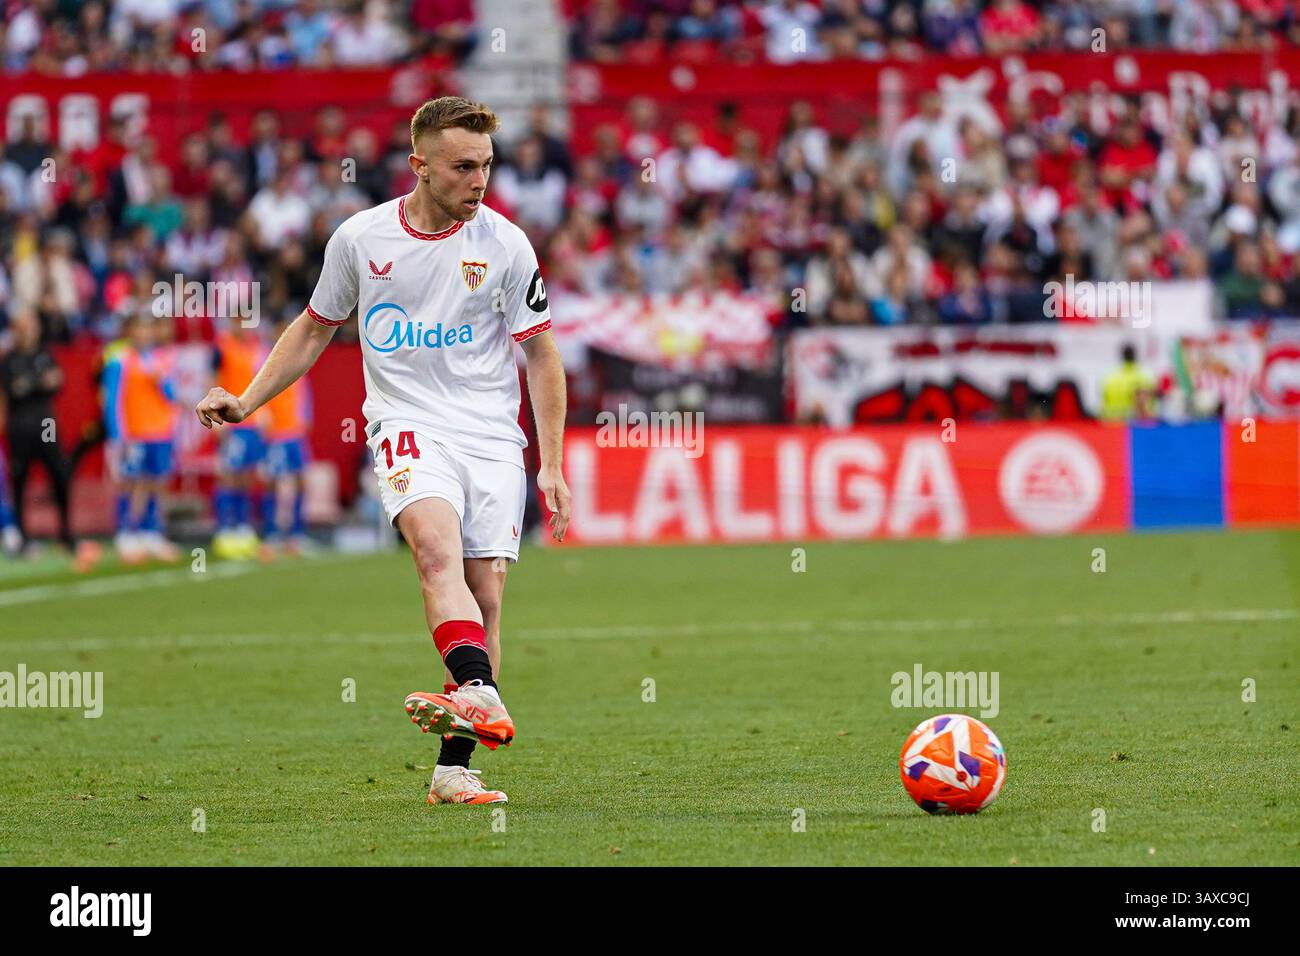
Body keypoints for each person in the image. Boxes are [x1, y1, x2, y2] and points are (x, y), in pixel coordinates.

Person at [195, 97, 571, 807]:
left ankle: (454, 768)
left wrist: (551, 462)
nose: (480, 181)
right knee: (435, 550)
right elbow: (313, 328)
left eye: (486, 166)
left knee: (485, 598)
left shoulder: (507, 244)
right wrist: (246, 401)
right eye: (464, 166)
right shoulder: (361, 240)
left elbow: (543, 358)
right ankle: (481, 691)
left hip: (492, 434)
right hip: (406, 423)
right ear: (419, 166)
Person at [0, 308, 93, 565]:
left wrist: (32, 383)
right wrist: (37, 382)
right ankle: (23, 536)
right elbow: (15, 389)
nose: (27, 330)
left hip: (47, 426)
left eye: (30, 325)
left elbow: (56, 382)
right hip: (20, 427)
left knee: (60, 475)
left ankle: (66, 533)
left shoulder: (45, 354)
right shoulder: (9, 360)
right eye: (22, 325)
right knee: (20, 481)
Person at [113, 314, 180, 562]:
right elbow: (113, 402)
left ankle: (152, 533)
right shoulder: (119, 361)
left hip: (161, 431)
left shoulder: (159, 361)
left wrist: (161, 380)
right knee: (132, 483)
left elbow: (171, 395)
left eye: (147, 329)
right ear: (130, 331)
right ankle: (127, 533)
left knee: (157, 482)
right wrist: (118, 435)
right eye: (138, 329)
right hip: (135, 433)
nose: (144, 334)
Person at [1100, 343, 1157, 421]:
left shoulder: (1109, 379)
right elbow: (1152, 408)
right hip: (1136, 427)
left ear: (1122, 357)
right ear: (1135, 356)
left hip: (1112, 426)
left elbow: (1104, 406)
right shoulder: (1145, 379)